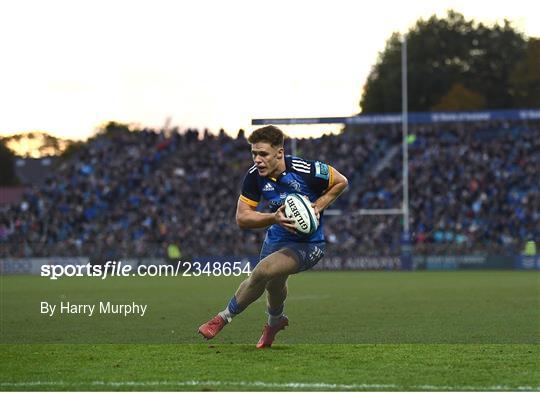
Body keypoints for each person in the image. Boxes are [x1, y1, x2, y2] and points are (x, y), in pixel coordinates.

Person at [198, 125, 348, 348]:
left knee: (263, 271)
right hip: (277, 236)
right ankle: (275, 322)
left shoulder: (307, 169)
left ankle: (222, 317)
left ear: (279, 153)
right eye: (254, 153)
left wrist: (317, 206)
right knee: (273, 285)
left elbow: (341, 181)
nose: (257, 160)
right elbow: (242, 218)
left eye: (263, 154)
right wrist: (273, 218)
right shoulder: (254, 177)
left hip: (308, 244)